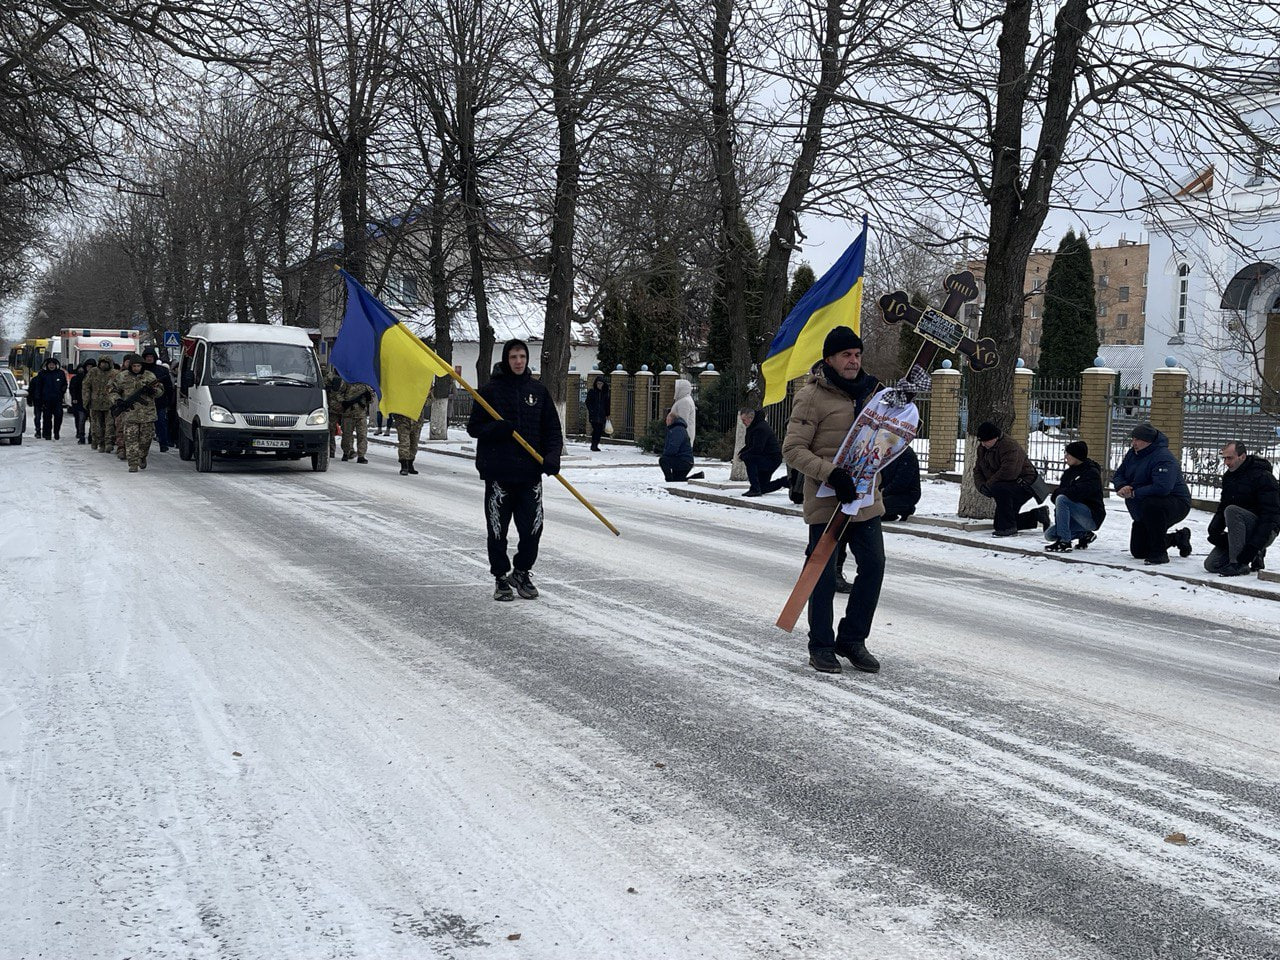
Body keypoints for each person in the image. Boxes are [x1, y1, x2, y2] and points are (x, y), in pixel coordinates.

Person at [781, 326, 885, 675]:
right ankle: (821, 646)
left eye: (857, 355)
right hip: (828, 500)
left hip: (866, 500)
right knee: (822, 574)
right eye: (846, 355)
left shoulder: (875, 392)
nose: (853, 361)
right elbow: (793, 450)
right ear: (829, 359)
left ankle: (853, 640)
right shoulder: (812, 396)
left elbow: (892, 433)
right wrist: (832, 474)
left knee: (873, 566)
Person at [467, 338, 564, 602]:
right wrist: (494, 430)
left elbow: (553, 431)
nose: (518, 361)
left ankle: (521, 571)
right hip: (500, 473)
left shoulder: (539, 391)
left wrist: (552, 457)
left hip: (530, 475)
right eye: (513, 357)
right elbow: (474, 427)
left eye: (522, 356)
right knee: (498, 530)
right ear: (506, 360)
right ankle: (501, 577)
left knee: (533, 528)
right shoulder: (490, 391)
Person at [1111, 422, 1192, 565]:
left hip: (1173, 503)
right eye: (1133, 439)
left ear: (1149, 441)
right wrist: (1122, 486)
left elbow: (1162, 487)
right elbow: (1119, 474)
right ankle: (1177, 538)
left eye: (1138, 440)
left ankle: (1159, 553)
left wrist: (1134, 493)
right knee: (1139, 551)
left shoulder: (1163, 457)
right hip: (1142, 505)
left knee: (1153, 504)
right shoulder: (1132, 454)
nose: (1134, 443)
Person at [1204, 441, 1280, 576]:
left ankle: (1238, 564)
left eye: (1230, 458)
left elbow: (1270, 516)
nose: (1226, 462)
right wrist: (1214, 530)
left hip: (1264, 531)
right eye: (1224, 458)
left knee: (1232, 510)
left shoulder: (1263, 477)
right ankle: (1254, 554)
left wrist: (1252, 548)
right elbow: (1223, 505)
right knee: (1212, 565)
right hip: (1240, 530)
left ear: (1242, 457)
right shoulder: (1229, 477)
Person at [972, 421, 1049, 537]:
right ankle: (1037, 515)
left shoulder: (1009, 446)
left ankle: (1009, 528)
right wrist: (981, 486)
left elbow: (1009, 472)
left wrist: (989, 485)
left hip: (1024, 484)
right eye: (981, 441)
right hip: (1006, 485)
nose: (983, 444)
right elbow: (978, 470)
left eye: (986, 441)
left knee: (999, 489)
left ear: (995, 437)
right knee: (999, 524)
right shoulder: (983, 449)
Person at [1043, 440, 1106, 552]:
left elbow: (1077, 493)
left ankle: (1065, 542)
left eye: (1068, 454)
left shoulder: (1091, 473)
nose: (1065, 457)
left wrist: (1061, 493)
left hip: (1090, 515)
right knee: (1050, 534)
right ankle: (1085, 534)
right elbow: (1057, 498)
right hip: (1074, 517)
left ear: (1077, 456)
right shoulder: (1068, 473)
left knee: (1062, 499)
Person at [110, 353, 164, 473]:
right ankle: (133, 463)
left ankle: (142, 456)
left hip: (147, 414)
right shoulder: (122, 377)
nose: (136, 368)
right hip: (130, 414)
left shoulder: (149, 376)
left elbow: (160, 391)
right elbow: (112, 390)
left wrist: (153, 390)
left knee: (146, 440)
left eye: (138, 366)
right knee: (130, 439)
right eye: (134, 366)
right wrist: (117, 400)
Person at [738, 407, 786, 496]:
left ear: (751, 418)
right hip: (766, 457)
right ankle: (786, 481)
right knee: (763, 488)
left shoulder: (760, 428)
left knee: (749, 459)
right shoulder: (754, 426)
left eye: (744, 420)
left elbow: (757, 448)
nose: (743, 423)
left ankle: (755, 489)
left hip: (771, 459)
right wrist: (742, 452)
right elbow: (750, 445)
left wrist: (743, 455)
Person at [140, 348, 174, 452]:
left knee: (161, 423)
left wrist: (170, 401)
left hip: (159, 401)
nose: (149, 359)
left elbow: (168, 386)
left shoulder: (162, 370)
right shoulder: (140, 370)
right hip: (143, 402)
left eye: (151, 357)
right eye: (147, 357)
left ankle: (163, 443)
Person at [658, 411, 704, 482]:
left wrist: (665, 454)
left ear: (671, 420)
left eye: (667, 420)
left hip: (683, 461)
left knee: (663, 460)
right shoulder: (676, 429)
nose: (666, 422)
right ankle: (698, 476)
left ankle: (669, 481)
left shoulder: (677, 430)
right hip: (685, 460)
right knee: (678, 480)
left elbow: (673, 447)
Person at [82, 357, 116, 452]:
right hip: (95, 403)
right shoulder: (93, 372)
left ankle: (108, 442)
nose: (104, 365)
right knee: (96, 424)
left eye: (106, 363)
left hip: (110, 403)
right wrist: (86, 400)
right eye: (102, 363)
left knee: (109, 424)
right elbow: (86, 385)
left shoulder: (114, 373)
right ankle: (99, 442)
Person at [879, 445, 921, 522]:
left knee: (877, 508)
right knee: (870, 507)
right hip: (888, 493)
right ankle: (890, 514)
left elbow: (901, 482)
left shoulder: (906, 454)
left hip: (906, 495)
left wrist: (883, 493)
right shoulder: (886, 452)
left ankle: (906, 509)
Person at [31, 357, 68, 440]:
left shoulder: (60, 373)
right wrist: (38, 398)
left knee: (58, 417)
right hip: (46, 400)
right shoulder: (42, 374)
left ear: (56, 365)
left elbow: (65, 384)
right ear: (47, 365)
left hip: (57, 400)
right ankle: (47, 434)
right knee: (47, 418)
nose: (51, 366)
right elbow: (38, 387)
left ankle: (56, 432)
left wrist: (62, 391)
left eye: (53, 364)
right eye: (50, 364)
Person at [340, 380, 376, 463]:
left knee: (362, 435)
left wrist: (369, 396)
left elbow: (372, 398)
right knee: (347, 435)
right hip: (348, 414)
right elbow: (338, 394)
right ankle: (346, 452)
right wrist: (344, 402)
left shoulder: (365, 384)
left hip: (361, 415)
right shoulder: (346, 382)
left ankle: (361, 455)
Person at [395, 399, 430, 476]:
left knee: (414, 445)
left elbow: (429, 401)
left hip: (417, 420)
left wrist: (425, 396)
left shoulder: (422, 388)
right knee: (404, 443)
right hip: (403, 420)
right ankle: (404, 465)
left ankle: (410, 463)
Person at [325, 367, 346, 458]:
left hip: (345, 409)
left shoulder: (348, 377)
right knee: (331, 430)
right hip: (333, 409)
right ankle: (331, 451)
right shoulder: (330, 377)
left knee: (347, 431)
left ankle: (348, 451)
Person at [586, 376, 609, 451]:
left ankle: (596, 444)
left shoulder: (605, 393)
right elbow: (588, 402)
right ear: (595, 384)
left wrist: (607, 414)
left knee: (599, 430)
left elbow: (607, 404)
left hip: (602, 415)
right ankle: (594, 445)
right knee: (596, 429)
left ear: (603, 384)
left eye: (601, 384)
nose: (599, 385)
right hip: (594, 415)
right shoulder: (592, 392)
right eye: (598, 383)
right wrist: (591, 410)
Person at [670, 378, 696, 445]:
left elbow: (683, 421)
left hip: (682, 438)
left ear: (681, 389)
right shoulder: (684, 400)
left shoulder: (684, 402)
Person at [68, 362, 88, 443]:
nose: (81, 370)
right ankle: (79, 432)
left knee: (83, 418)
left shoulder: (87, 378)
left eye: (82, 368)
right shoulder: (74, 379)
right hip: (77, 401)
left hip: (86, 400)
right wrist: (74, 398)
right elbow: (72, 389)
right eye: (79, 368)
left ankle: (83, 433)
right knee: (79, 418)